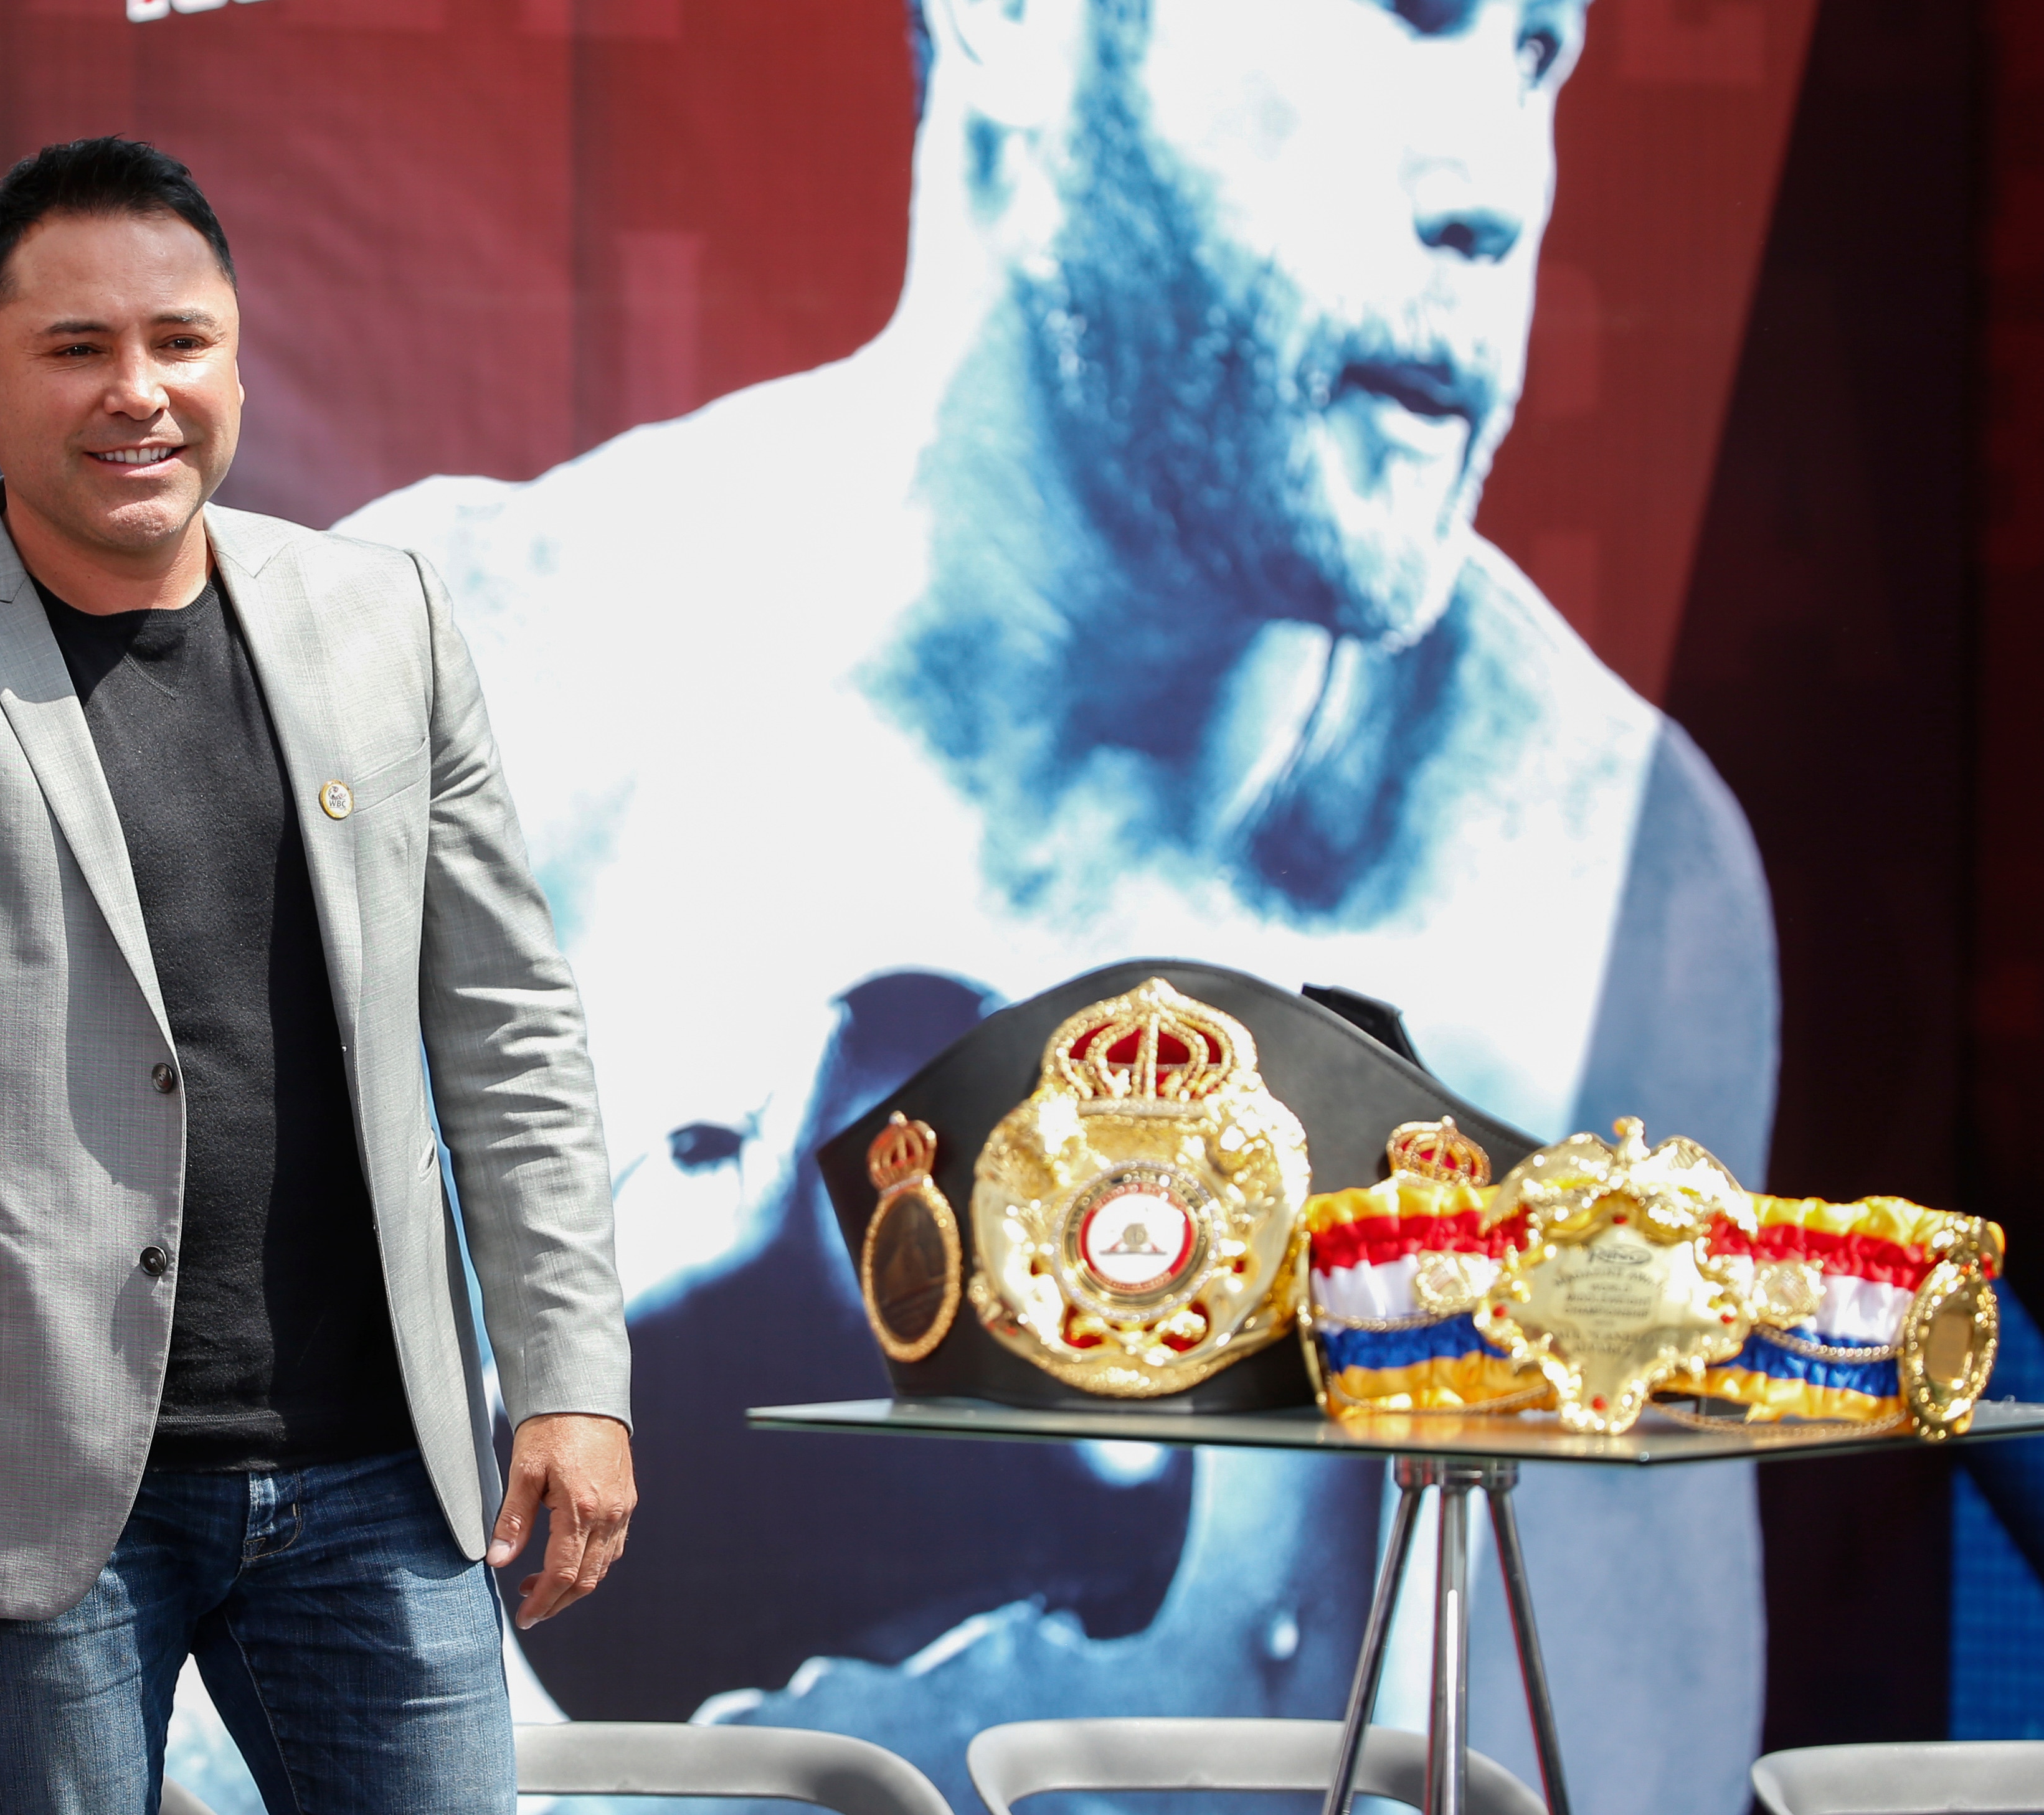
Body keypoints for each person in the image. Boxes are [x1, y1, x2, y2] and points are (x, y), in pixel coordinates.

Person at [341, 0, 1774, 1808]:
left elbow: (1618, 1778)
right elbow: (194, 1632)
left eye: (1534, 54)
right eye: (1414, 15)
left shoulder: (1587, 871)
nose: (1494, 191)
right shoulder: (473, 681)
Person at [0, 138, 635, 1815]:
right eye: (76, 348)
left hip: (378, 1464)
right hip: (35, 1481)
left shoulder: (383, 619)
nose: (137, 392)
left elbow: (506, 1025)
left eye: (178, 341)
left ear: (237, 356)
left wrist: (571, 1381)